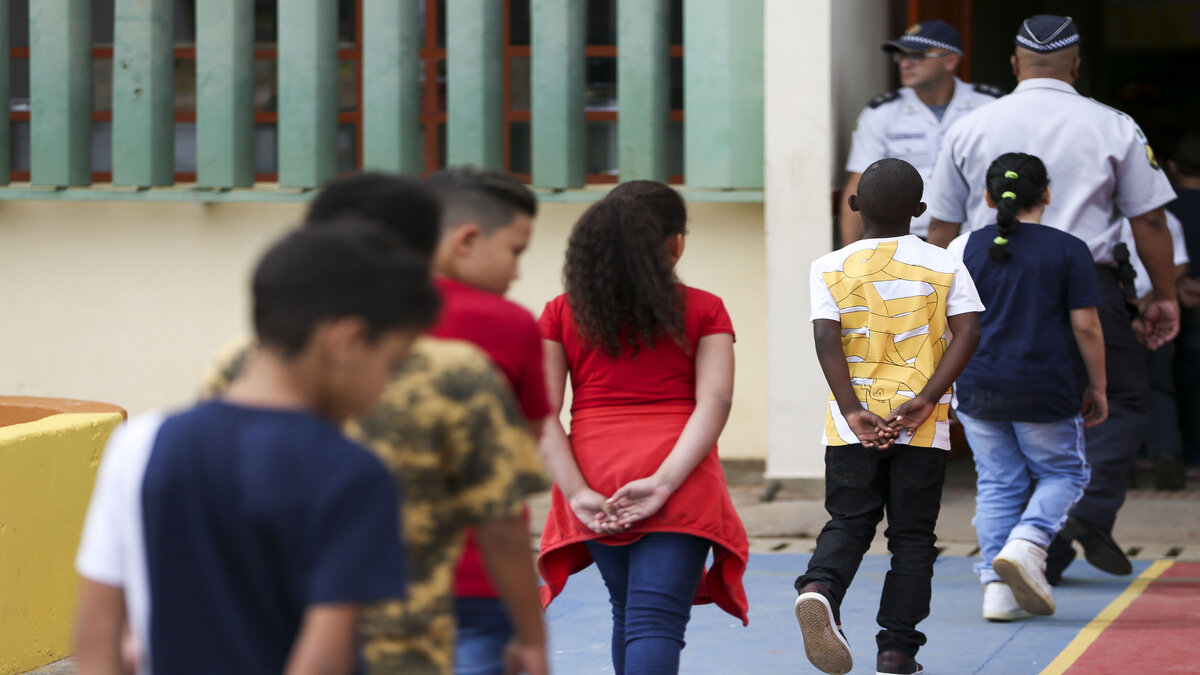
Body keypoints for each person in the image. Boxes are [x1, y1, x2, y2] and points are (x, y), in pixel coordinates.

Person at [201, 172, 549, 675]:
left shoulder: (246, 361)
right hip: (427, 624)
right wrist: (531, 636)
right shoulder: (460, 365)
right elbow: (502, 511)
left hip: (276, 621)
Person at [75, 221, 439, 674]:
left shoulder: (139, 442)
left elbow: (96, 640)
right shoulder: (352, 471)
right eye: (392, 364)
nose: (386, 387)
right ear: (344, 342)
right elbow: (323, 660)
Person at [924, 14, 1179, 584]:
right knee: (1119, 401)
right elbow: (1152, 219)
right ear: (1078, 65)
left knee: (997, 430)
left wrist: (930, 308)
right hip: (1089, 286)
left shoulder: (970, 126)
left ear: (1014, 65)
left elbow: (940, 228)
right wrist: (1163, 295)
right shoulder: (1115, 125)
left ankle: (1014, 559)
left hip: (985, 287)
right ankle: (1070, 523)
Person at [537, 181, 749, 675]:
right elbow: (715, 399)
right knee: (653, 622)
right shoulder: (704, 308)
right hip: (679, 470)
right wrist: (664, 483)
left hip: (594, 472)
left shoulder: (560, 312)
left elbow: (542, 413)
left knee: (629, 612)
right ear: (674, 242)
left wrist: (576, 493)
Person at [796, 158, 982, 675]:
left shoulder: (829, 266)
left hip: (850, 425)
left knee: (850, 520)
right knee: (913, 538)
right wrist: (927, 398)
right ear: (920, 211)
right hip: (921, 423)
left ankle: (819, 588)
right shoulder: (945, 264)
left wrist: (853, 410)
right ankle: (897, 650)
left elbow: (824, 337)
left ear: (854, 206)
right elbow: (968, 332)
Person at [946, 153, 1105, 622]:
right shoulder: (1070, 248)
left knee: (998, 482)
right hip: (1045, 388)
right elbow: (1088, 327)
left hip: (976, 386)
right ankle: (1029, 542)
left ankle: (996, 591)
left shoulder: (961, 248)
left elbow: (947, 326)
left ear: (988, 196)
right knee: (1065, 473)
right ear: (1048, 194)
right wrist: (1099, 384)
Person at [421, 166, 550, 675]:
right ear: (467, 240)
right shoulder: (508, 323)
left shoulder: (357, 317)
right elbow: (521, 454)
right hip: (478, 576)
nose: (517, 272)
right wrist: (532, 635)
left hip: (370, 579)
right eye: (516, 251)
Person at [839, 20, 1002, 245]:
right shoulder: (882, 111)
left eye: (919, 56)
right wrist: (851, 256)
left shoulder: (989, 105)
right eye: (902, 56)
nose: (906, 63)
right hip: (908, 240)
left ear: (951, 60)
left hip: (978, 237)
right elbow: (860, 182)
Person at [1168, 134, 1200, 481]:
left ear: (1172, 168)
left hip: (1175, 300)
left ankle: (1182, 452)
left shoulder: (1163, 209)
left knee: (1175, 379)